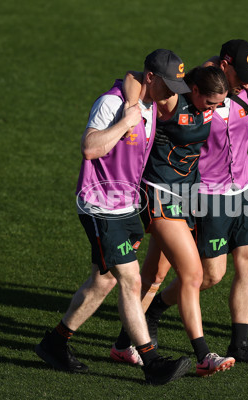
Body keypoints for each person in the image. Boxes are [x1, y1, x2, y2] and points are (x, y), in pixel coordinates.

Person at [34, 49, 192, 385]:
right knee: (130, 279)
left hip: (126, 206)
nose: (172, 94)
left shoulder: (147, 101)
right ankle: (152, 364)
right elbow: (90, 148)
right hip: (100, 205)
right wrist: (124, 123)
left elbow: (138, 80)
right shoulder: (112, 104)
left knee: (103, 280)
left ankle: (55, 343)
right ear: (151, 78)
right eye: (169, 85)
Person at [140, 39, 248, 367]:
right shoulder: (196, 98)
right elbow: (202, 73)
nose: (246, 81)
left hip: (243, 191)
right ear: (223, 66)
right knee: (210, 276)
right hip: (207, 194)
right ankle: (155, 310)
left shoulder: (240, 93)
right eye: (241, 75)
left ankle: (239, 344)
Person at [113, 65, 235, 377]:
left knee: (154, 275)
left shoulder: (210, 92)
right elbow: (134, 76)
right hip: (159, 194)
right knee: (193, 275)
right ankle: (203, 354)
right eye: (211, 103)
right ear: (194, 91)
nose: (216, 109)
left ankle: (123, 344)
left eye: (220, 103)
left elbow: (217, 66)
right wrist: (131, 107)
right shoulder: (172, 99)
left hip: (186, 196)